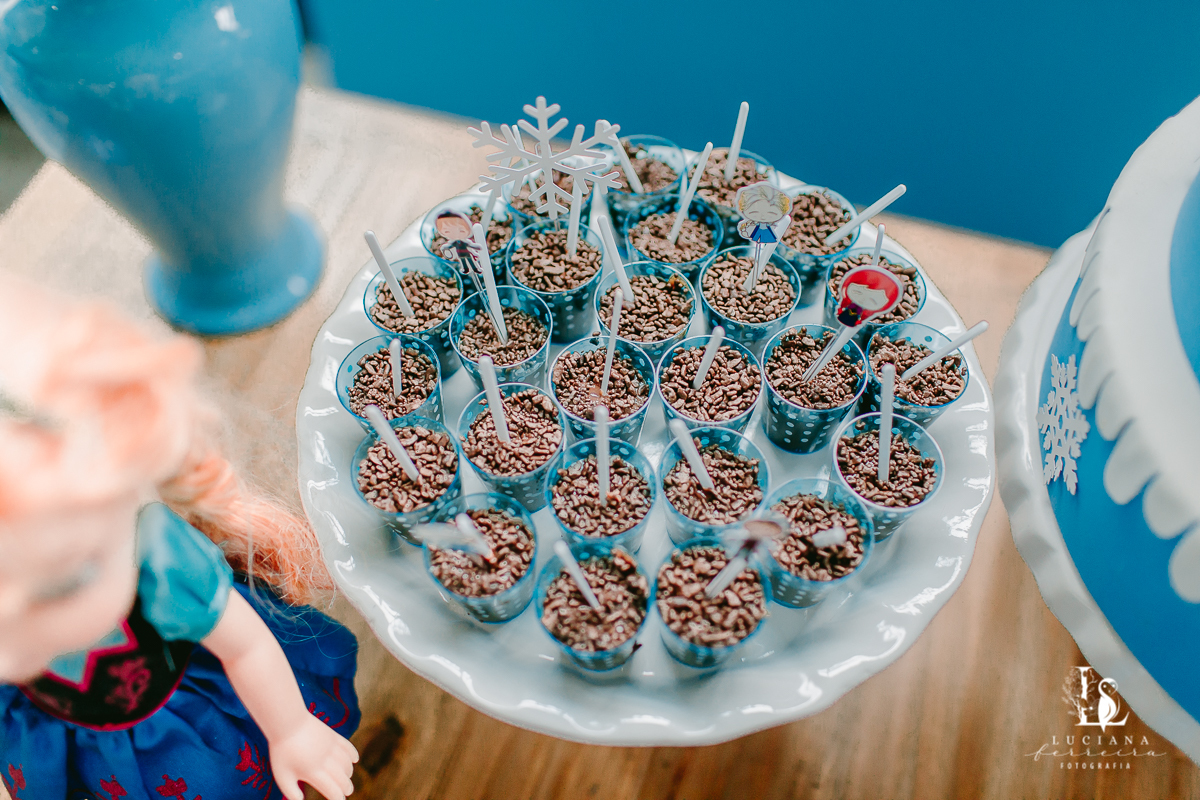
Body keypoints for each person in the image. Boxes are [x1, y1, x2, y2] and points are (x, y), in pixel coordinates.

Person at [0, 275, 360, 800]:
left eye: (64, 585)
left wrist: (290, 730)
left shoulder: (160, 562)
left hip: (188, 728)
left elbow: (246, 647)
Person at [435, 210, 487, 295]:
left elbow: (470, 245)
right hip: (460, 255)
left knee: (471, 262)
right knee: (464, 263)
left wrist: (477, 247)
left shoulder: (465, 242)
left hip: (468, 254)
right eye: (447, 231)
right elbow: (449, 246)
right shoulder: (454, 242)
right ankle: (466, 269)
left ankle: (475, 268)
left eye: (461, 230)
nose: (454, 233)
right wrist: (445, 248)